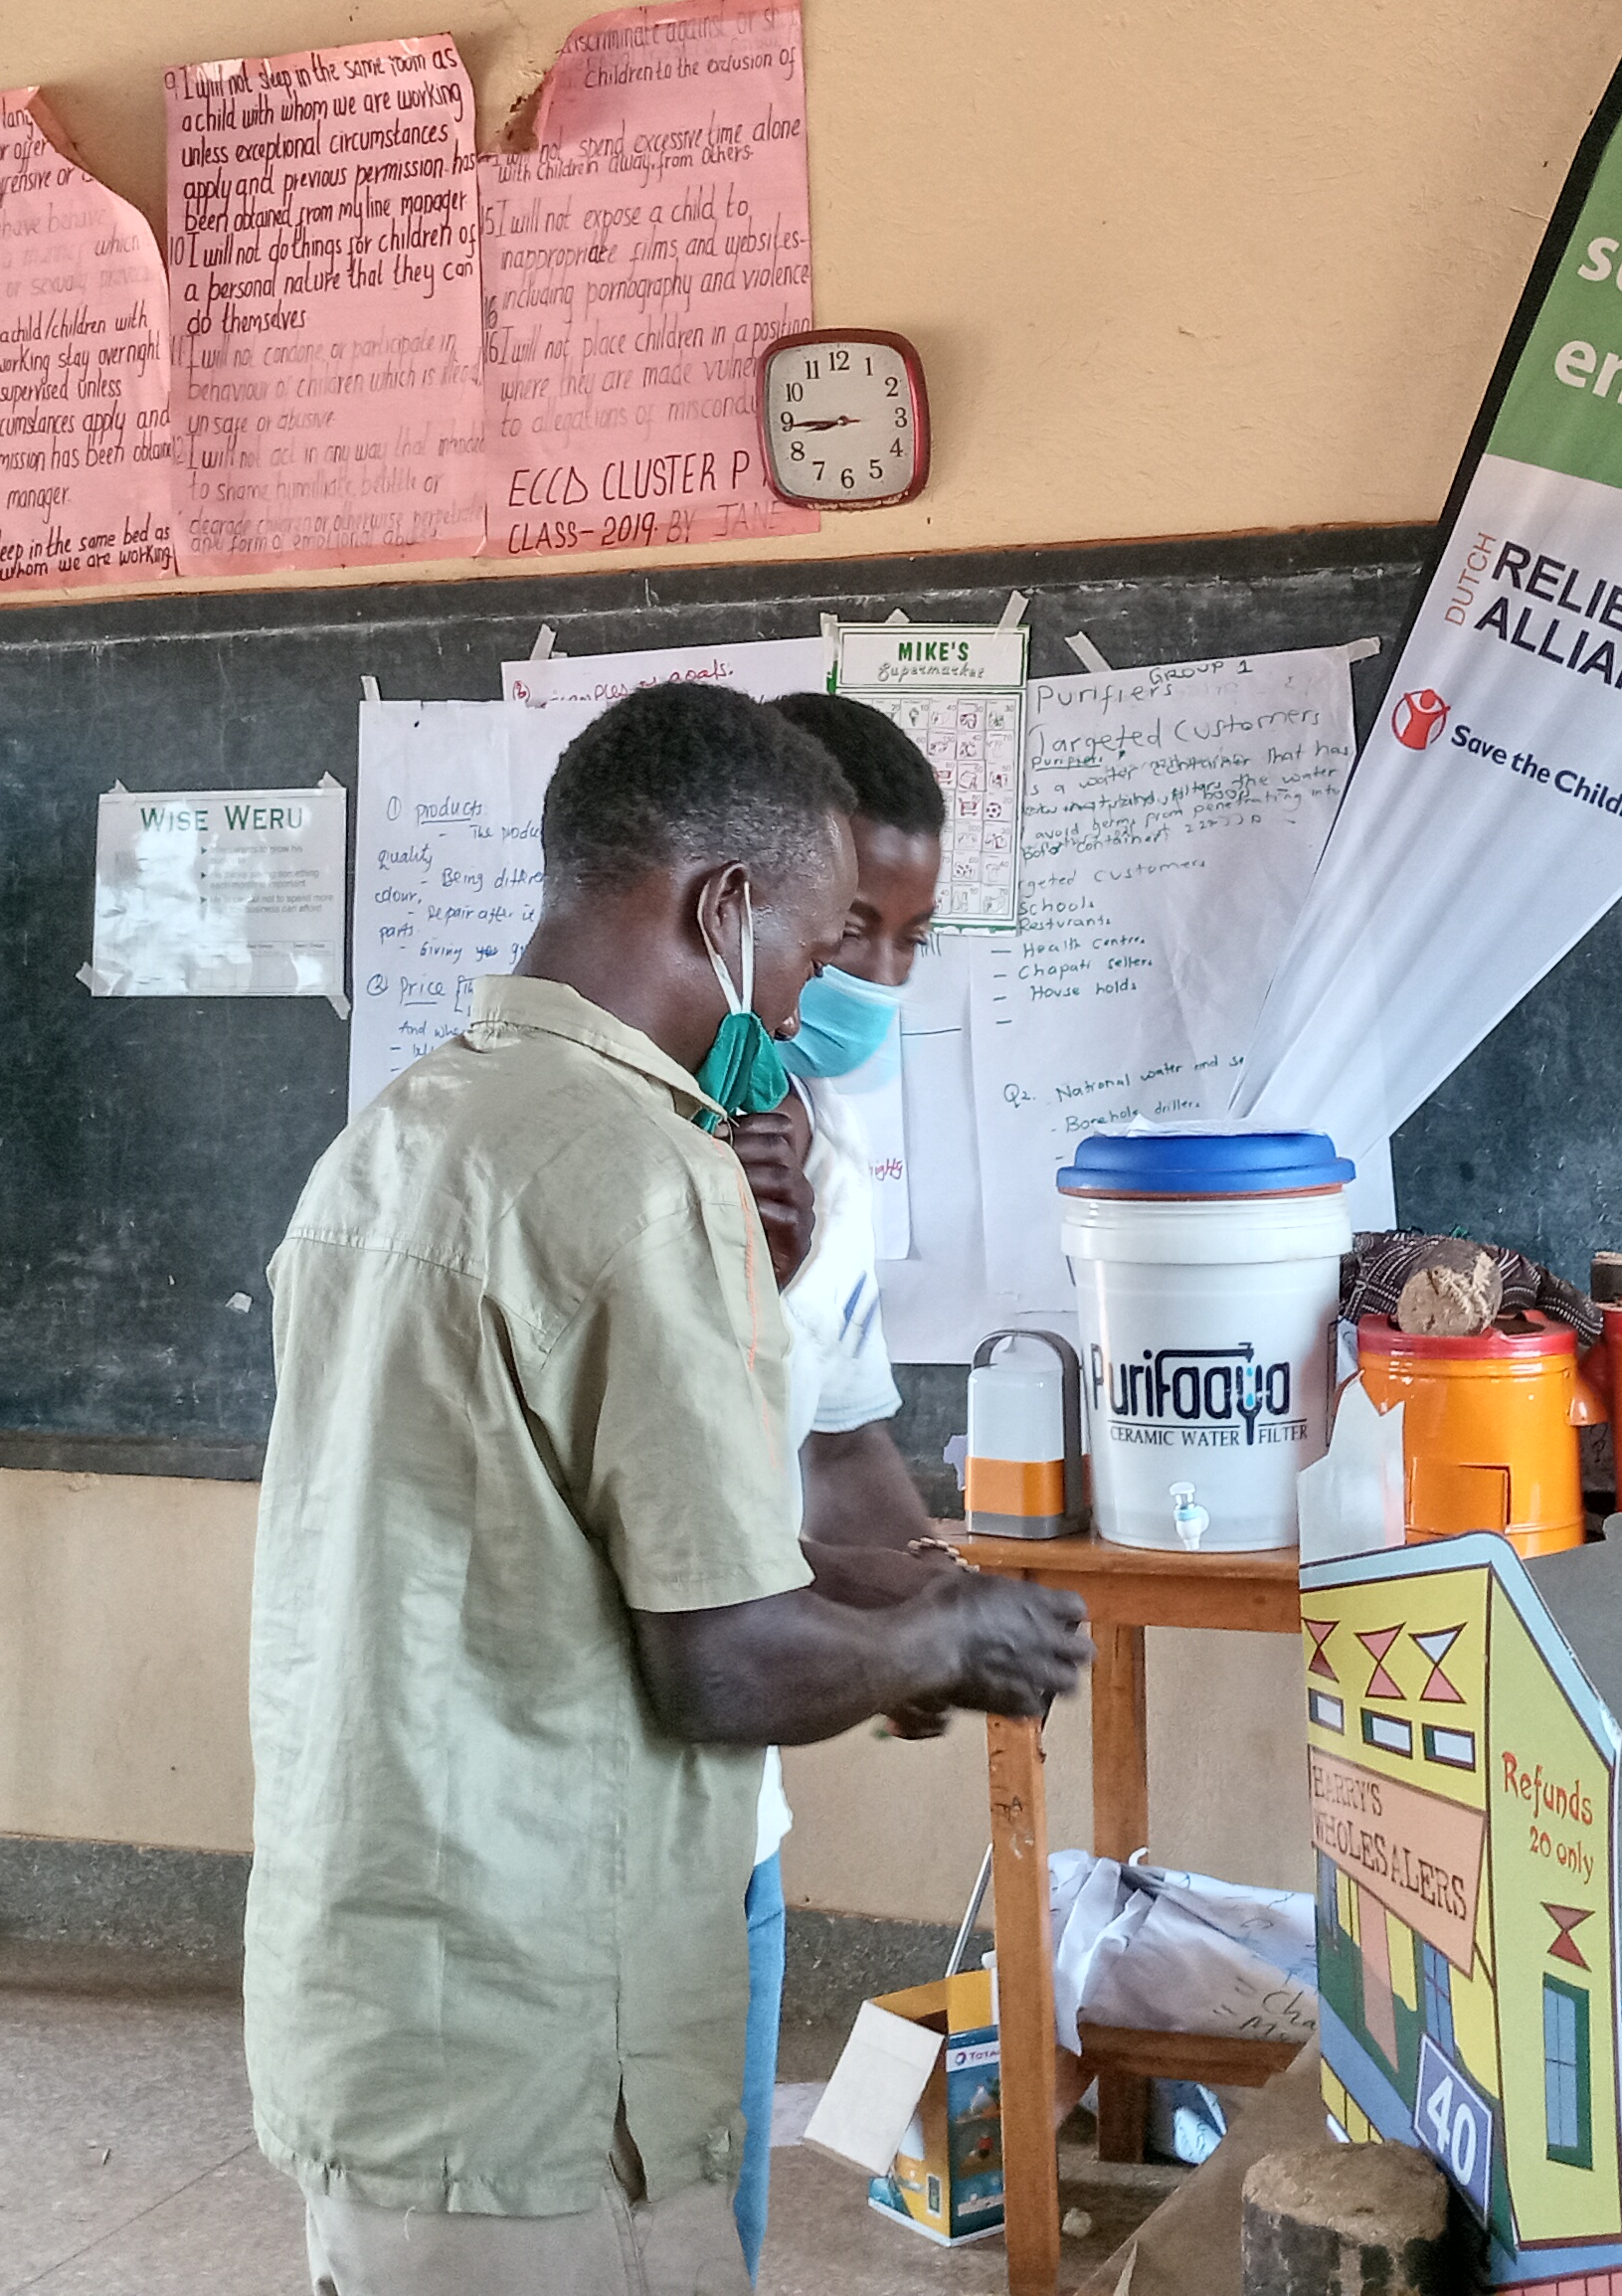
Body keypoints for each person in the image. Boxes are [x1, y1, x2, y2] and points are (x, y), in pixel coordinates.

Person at [248, 681, 1089, 2296]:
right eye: (814, 944)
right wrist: (945, 1641)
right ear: (720, 909)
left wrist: (901, 1595)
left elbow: (559, 1557)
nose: (815, 994)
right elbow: (718, 1661)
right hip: (550, 2025)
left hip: (383, 1997)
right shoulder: (652, 1171)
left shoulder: (403, 1136)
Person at [707, 689, 956, 2271]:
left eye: (913, 942)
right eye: (851, 929)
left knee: (713, 2221)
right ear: (750, 903)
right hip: (574, 1828)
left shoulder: (829, 1140)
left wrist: (929, 1601)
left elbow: (840, 1436)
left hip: (734, 1815)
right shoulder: (603, 1131)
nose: (874, 979)